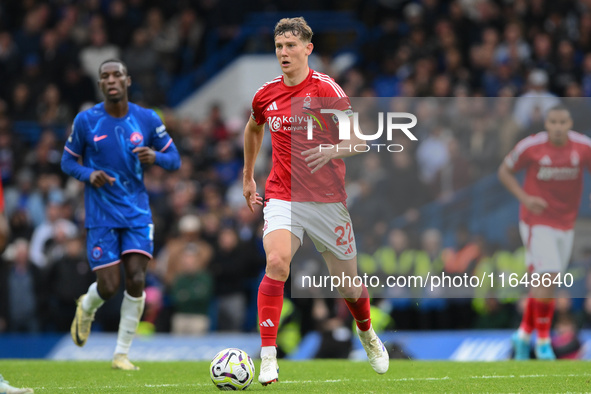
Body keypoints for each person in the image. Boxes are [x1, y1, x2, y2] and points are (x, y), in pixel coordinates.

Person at [242, 17, 389, 385]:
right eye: (278, 46)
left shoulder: (326, 89)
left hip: (326, 200)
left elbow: (358, 141)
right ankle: (269, 357)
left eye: (291, 46)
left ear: (308, 49)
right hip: (282, 194)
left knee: (349, 286)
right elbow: (253, 127)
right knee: (276, 263)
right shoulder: (266, 94)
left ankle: (367, 334)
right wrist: (247, 176)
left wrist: (330, 149)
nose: (283, 53)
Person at [61, 59, 180, 370]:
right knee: (109, 286)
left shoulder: (147, 118)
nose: (111, 80)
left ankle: (121, 354)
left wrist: (156, 156)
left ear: (127, 81)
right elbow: (67, 162)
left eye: (117, 75)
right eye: (105, 76)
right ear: (100, 84)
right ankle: (86, 306)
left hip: (137, 212)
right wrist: (89, 174)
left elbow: (175, 159)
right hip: (101, 214)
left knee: (137, 278)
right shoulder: (86, 121)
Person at [498, 105, 591, 360]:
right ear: (546, 124)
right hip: (536, 220)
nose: (558, 127)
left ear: (570, 123)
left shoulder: (583, 147)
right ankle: (542, 341)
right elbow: (504, 171)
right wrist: (525, 198)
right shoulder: (531, 146)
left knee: (543, 283)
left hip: (566, 222)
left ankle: (523, 334)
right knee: (547, 278)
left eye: (563, 122)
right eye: (553, 122)